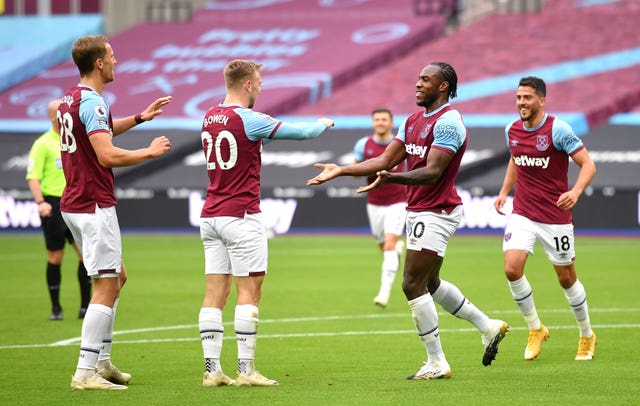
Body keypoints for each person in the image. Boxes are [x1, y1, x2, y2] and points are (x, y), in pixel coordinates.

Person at [307, 62, 509, 380]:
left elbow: (433, 171)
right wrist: (342, 169)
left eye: (425, 80)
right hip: (420, 208)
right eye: (417, 78)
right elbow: (386, 160)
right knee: (430, 283)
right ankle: (488, 326)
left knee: (411, 284)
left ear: (443, 86)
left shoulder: (449, 123)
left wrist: (392, 179)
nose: (417, 84)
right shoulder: (412, 120)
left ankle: (436, 362)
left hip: (436, 210)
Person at [198, 59, 334, 388]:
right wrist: (323, 122)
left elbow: (250, 142)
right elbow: (304, 132)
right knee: (250, 292)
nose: (261, 87)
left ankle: (212, 370)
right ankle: (246, 370)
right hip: (242, 216)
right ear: (247, 84)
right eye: (258, 81)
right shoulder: (250, 118)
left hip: (211, 215)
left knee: (214, 293)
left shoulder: (210, 116)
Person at [59, 34, 173, 390]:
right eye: (111, 55)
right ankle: (84, 372)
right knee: (106, 285)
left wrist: (140, 117)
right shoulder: (92, 103)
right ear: (98, 63)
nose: (116, 60)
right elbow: (107, 154)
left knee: (116, 277)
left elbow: (100, 129)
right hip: (93, 202)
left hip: (74, 201)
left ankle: (103, 362)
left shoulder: (71, 98)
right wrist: (149, 152)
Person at [493, 76, 597, 361]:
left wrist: (575, 191)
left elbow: (588, 164)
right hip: (523, 213)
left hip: (555, 217)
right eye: (518, 98)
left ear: (541, 100)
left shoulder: (558, 130)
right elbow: (516, 158)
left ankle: (587, 334)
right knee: (512, 269)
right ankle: (535, 328)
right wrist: (504, 191)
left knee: (566, 278)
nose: (521, 103)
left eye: (527, 98)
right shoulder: (511, 129)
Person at [26, 99, 92, 321]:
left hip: (75, 201)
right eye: (58, 113)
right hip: (53, 203)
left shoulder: (74, 139)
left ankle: (86, 307)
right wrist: (40, 202)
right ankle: (56, 308)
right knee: (55, 256)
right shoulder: (42, 144)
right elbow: (33, 177)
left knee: (86, 255)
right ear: (52, 117)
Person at [352, 108, 406, 308]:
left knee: (389, 244)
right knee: (385, 248)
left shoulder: (400, 144)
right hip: (374, 203)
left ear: (391, 122)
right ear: (373, 123)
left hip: (398, 201)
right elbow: (356, 172)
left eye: (384, 119)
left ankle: (384, 293)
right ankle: (397, 252)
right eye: (377, 120)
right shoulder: (363, 145)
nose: (380, 123)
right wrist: (357, 169)